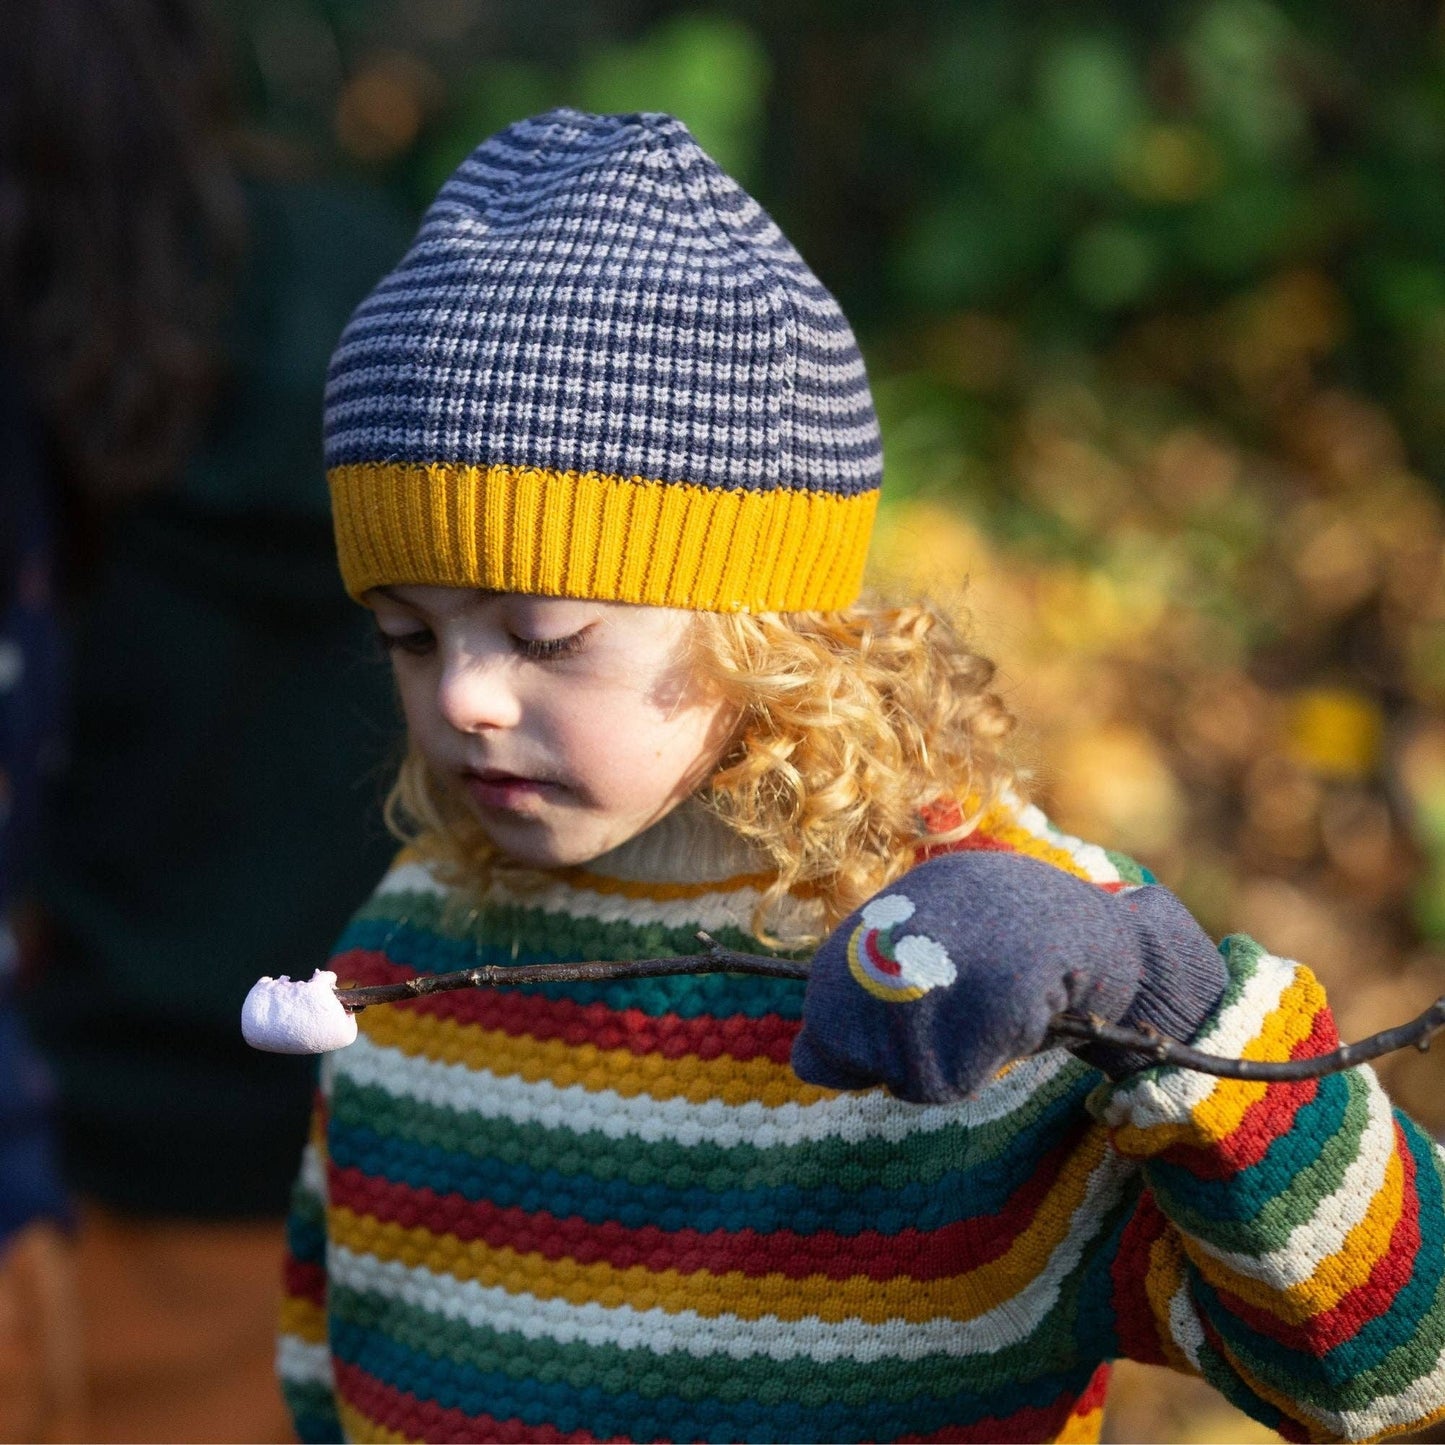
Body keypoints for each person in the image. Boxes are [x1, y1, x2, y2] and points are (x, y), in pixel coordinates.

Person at [276, 108, 1445, 1443]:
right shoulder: (417, 938)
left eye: (544, 633)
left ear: (765, 627)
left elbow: (1401, 1368)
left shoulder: (1000, 963)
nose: (466, 694)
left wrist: (1155, 998)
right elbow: (332, 1356)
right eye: (407, 635)